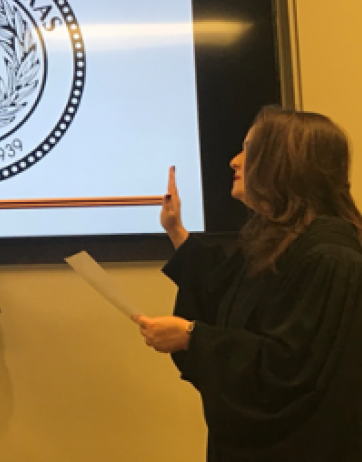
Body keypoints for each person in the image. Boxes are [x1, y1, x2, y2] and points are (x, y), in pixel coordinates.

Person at [136, 107, 362, 461]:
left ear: (284, 162)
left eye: (249, 149)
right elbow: (224, 293)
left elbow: (288, 369)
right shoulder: (279, 238)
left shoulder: (330, 256)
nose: (234, 161)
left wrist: (193, 337)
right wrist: (176, 231)